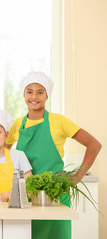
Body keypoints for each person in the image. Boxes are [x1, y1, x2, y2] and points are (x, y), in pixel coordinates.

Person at [6, 71, 102, 239]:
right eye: (29, 91)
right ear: (23, 94)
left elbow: (94, 145)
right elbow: (2, 154)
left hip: (55, 193)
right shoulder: (16, 124)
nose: (34, 96)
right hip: (27, 194)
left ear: (47, 95)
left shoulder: (60, 121)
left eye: (40, 92)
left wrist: (77, 177)